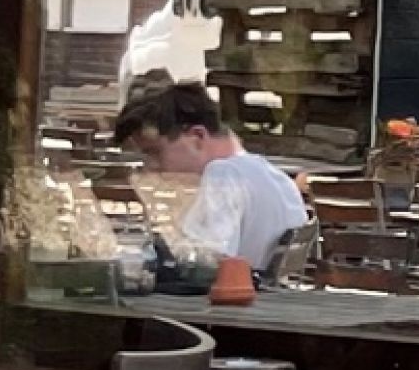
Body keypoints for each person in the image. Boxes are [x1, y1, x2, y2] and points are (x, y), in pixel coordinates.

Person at [111, 83, 309, 271]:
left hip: (232, 301)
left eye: (154, 152)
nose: (151, 166)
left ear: (197, 137)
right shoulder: (276, 177)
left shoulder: (223, 175)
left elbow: (204, 262)